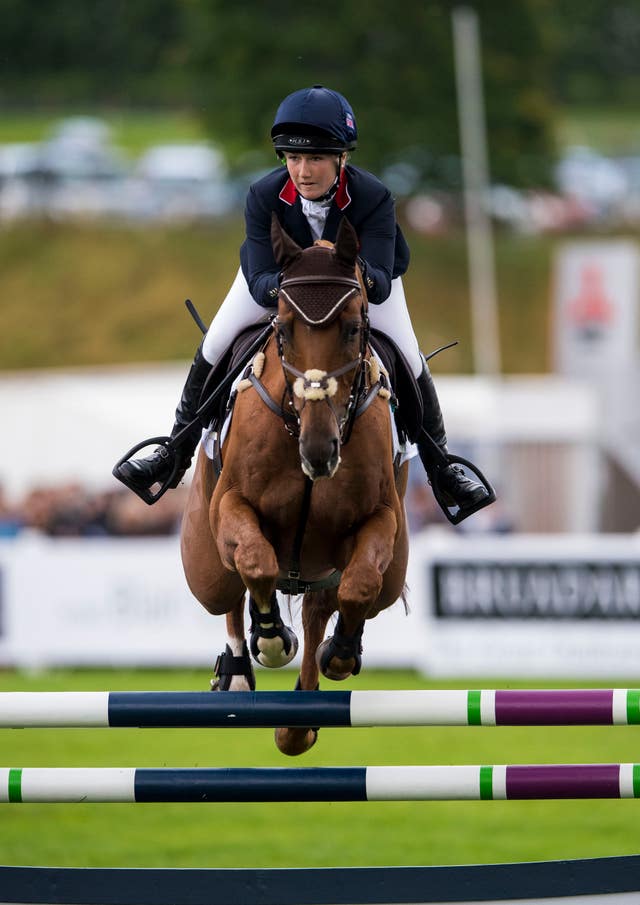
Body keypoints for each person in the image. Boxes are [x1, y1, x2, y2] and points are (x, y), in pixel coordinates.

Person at [114, 85, 490, 515]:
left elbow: (381, 281)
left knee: (407, 354)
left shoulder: (373, 197)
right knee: (216, 342)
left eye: (315, 159)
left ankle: (444, 468)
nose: (303, 171)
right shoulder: (263, 195)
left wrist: (346, 273)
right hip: (280, 283)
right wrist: (297, 292)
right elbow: (259, 281)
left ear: (341, 159)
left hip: (357, 287)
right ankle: (173, 452)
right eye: (293, 158)